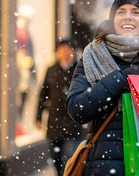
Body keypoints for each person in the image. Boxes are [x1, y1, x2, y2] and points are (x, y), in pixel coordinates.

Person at [66, 0, 139, 175]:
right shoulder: (92, 57)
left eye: (136, 12)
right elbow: (77, 109)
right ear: (113, 19)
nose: (128, 17)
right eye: (121, 12)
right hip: (104, 167)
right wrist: (121, 78)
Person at [36, 39, 83, 176]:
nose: (65, 53)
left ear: (74, 52)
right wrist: (38, 117)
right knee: (55, 156)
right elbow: (43, 95)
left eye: (68, 49)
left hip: (73, 121)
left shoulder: (79, 70)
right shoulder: (51, 70)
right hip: (54, 122)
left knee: (70, 156)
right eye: (61, 50)